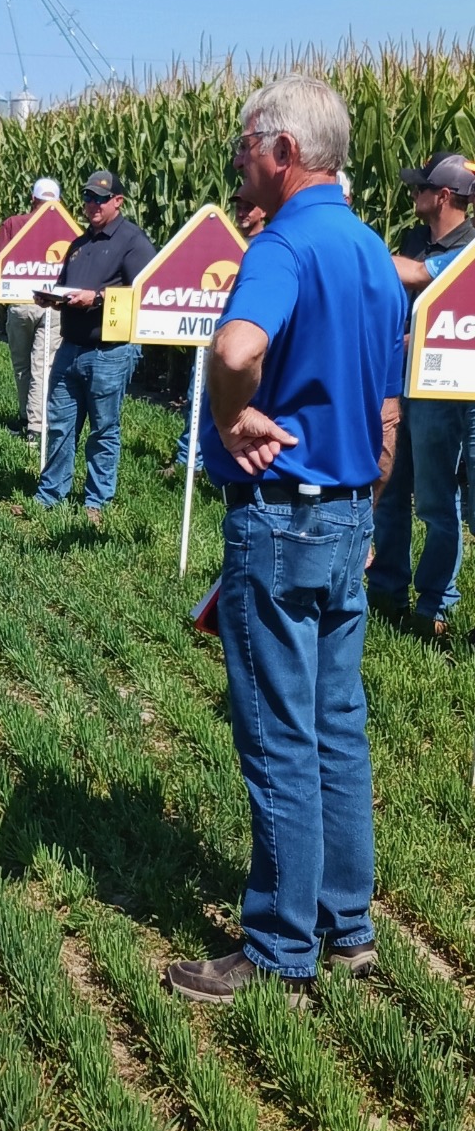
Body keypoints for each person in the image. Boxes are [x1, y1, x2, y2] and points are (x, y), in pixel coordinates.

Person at [164, 76, 404, 1003]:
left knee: (276, 732)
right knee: (338, 722)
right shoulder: (377, 253)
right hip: (348, 512)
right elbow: (387, 398)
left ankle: (277, 945)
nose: (237, 160)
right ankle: (350, 926)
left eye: (245, 145)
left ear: (285, 152)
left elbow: (233, 352)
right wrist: (369, 485)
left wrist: (232, 420)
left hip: (280, 517)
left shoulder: (284, 244)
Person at [367, 151, 475, 638]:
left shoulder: (470, 248)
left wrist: (360, 251)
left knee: (435, 500)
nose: (413, 195)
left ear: (445, 196)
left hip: (441, 395)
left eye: (419, 188)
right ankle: (385, 587)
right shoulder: (415, 239)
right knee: (388, 489)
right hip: (397, 384)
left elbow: (417, 278)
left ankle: (434, 602)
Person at [33, 171, 155, 521]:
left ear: (118, 201)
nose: (92, 204)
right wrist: (53, 298)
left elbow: (147, 293)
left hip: (109, 352)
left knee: (103, 429)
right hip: (70, 347)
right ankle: (50, 494)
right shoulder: (79, 244)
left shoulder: (133, 242)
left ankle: (96, 503)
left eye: (100, 198)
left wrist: (97, 299)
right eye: (87, 197)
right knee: (60, 424)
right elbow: (65, 286)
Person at [168, 189, 267, 477]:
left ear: (263, 211)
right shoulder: (226, 244)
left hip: (243, 338)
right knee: (197, 396)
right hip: (210, 334)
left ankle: (224, 463)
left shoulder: (264, 246)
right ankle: (192, 460)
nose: (243, 211)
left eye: (250, 206)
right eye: (239, 205)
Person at [0, 177, 63, 434]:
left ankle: (29, 421)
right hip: (53, 307)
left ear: (33, 199)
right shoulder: (65, 228)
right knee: (43, 365)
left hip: (20, 303)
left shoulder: (13, 224)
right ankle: (35, 423)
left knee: (22, 365)